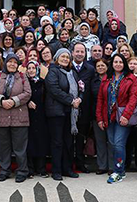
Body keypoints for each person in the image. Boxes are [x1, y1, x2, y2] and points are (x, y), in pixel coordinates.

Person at [96, 53, 137, 184]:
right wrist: (99, 118)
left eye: (120, 62)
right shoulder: (107, 79)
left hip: (122, 117)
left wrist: (126, 115)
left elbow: (133, 98)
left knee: (119, 144)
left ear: (124, 64)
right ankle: (118, 169)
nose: (118, 64)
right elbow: (101, 99)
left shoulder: (130, 79)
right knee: (113, 144)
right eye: (116, 62)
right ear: (112, 64)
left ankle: (119, 171)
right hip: (109, 117)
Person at [0, 54, 32, 182]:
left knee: (20, 147)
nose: (12, 64)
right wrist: (1, 101)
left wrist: (14, 101)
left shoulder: (22, 77)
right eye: (10, 62)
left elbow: (28, 93)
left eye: (14, 62)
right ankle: (4, 170)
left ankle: (22, 171)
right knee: (2, 146)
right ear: (5, 63)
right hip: (0, 116)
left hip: (19, 116)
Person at [45, 48, 82, 181]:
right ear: (57, 58)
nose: (65, 59)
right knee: (57, 142)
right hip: (56, 112)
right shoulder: (53, 71)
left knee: (68, 142)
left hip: (70, 112)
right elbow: (54, 90)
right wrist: (71, 101)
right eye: (63, 57)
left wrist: (79, 99)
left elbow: (80, 87)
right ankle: (56, 170)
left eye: (67, 57)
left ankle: (67, 168)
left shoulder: (73, 73)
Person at [69, 42, 95, 172]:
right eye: (77, 51)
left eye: (82, 52)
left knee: (80, 138)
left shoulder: (90, 69)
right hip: (68, 108)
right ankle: (68, 163)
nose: (79, 54)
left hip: (84, 109)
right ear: (72, 52)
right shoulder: (67, 67)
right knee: (68, 138)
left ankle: (80, 163)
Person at [25, 60, 48, 178]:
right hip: (28, 115)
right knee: (30, 142)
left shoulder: (43, 83)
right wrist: (28, 102)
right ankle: (30, 169)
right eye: (29, 68)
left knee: (41, 141)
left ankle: (41, 168)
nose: (31, 70)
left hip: (41, 115)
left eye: (33, 68)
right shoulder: (24, 83)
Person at [91, 59, 114, 175]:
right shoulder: (93, 81)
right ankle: (102, 166)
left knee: (111, 141)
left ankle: (111, 166)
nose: (100, 67)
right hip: (97, 114)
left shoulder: (112, 80)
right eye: (98, 66)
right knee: (100, 141)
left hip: (110, 115)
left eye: (102, 65)